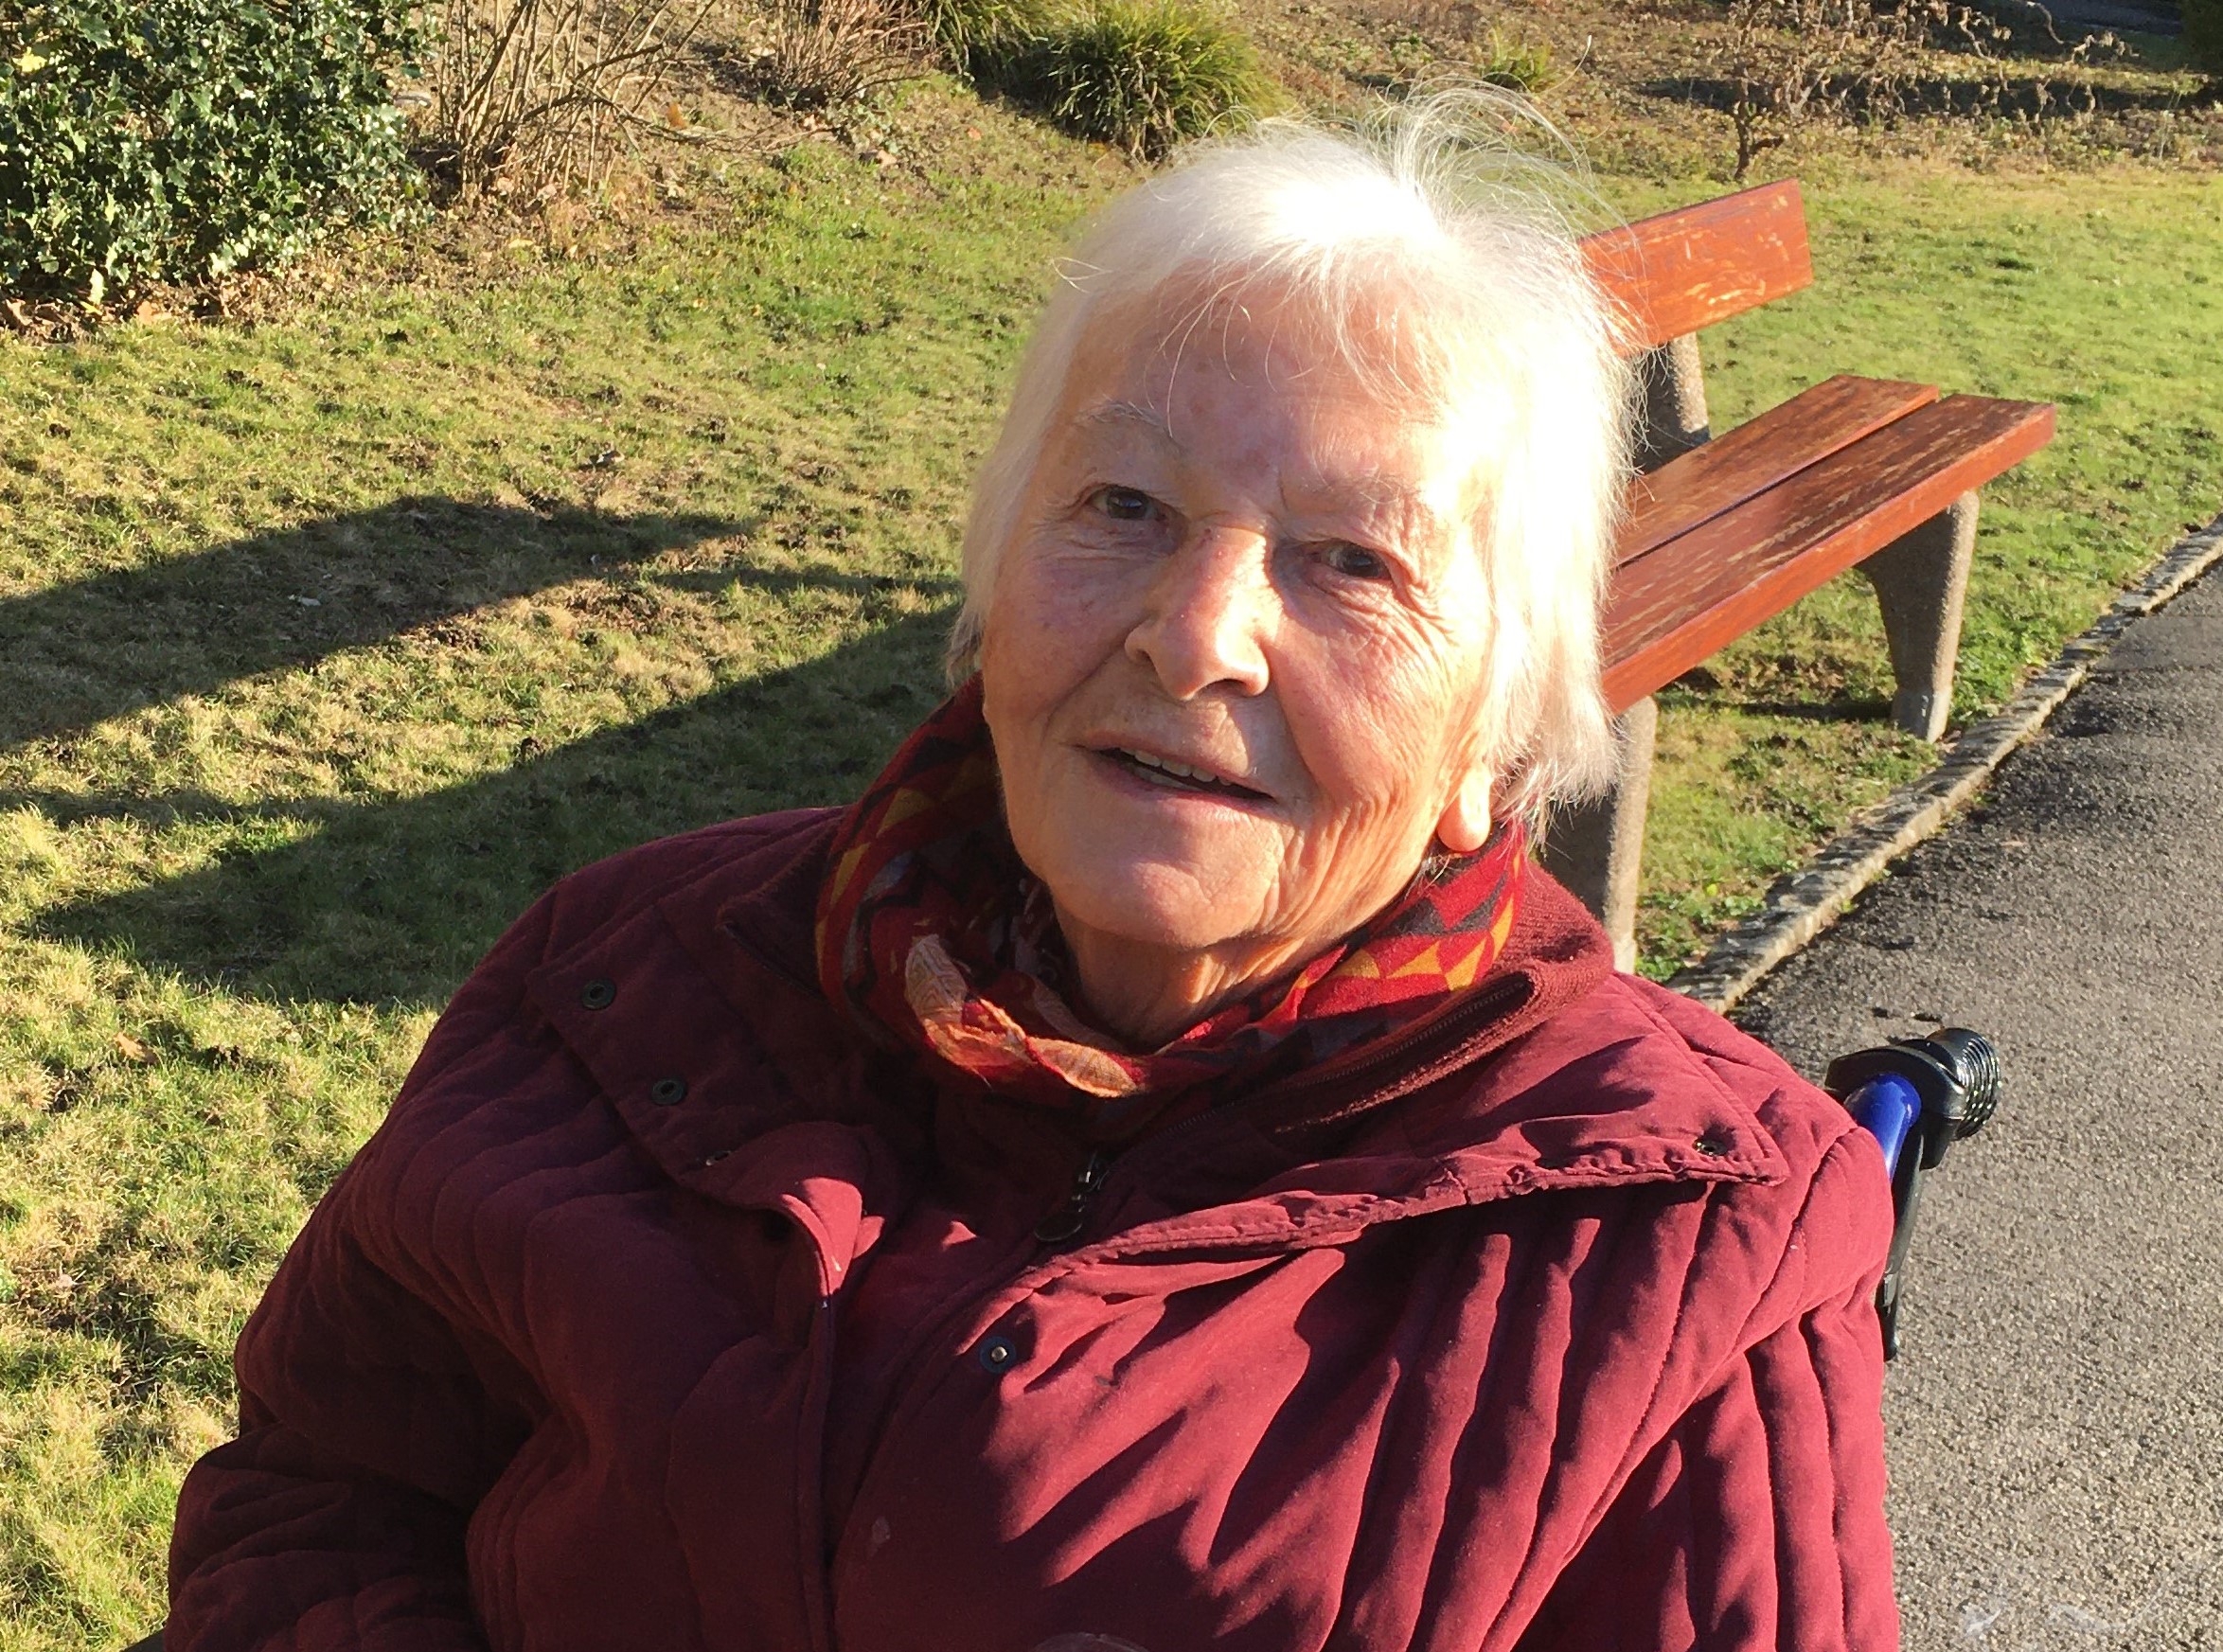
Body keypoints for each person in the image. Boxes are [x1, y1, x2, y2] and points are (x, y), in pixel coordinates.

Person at [164, 96, 1897, 1652]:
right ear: (995, 590)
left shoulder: (1691, 1233)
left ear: (1489, 749)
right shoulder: (623, 974)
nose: (1196, 634)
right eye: (1125, 505)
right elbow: (324, 1489)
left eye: (1354, 562)